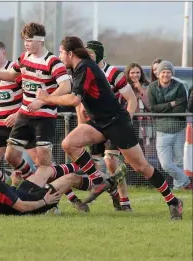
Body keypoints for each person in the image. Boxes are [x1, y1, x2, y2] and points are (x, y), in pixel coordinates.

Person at [36, 36, 183, 220]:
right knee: (69, 143)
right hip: (99, 122)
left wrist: (46, 98)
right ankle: (99, 181)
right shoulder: (78, 68)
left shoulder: (86, 67)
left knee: (142, 167)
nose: (59, 56)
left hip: (116, 122)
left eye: (61, 52)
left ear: (70, 53)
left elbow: (74, 99)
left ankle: (173, 201)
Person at [0, 22, 71, 178]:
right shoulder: (24, 57)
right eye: (24, 40)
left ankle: (63, 183)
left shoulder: (52, 62)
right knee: (11, 156)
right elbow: (11, 75)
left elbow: (66, 86)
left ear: (40, 40)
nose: (26, 44)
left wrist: (43, 100)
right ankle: (32, 182)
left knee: (42, 160)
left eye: (29, 40)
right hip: (25, 115)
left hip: (44, 116)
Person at [80, 40, 137, 211]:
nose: (88, 56)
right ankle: (113, 192)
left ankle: (124, 201)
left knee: (111, 160)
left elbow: (131, 99)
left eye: (91, 53)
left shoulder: (112, 72)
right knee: (94, 165)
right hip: (96, 123)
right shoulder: (83, 71)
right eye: (86, 52)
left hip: (114, 122)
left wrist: (127, 120)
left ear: (99, 54)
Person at [0, 158, 126, 215]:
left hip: (24, 192)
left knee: (45, 169)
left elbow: (4, 203)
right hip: (36, 200)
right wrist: (45, 202)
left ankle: (82, 165)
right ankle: (103, 183)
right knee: (71, 178)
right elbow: (22, 207)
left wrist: (14, 184)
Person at [0, 40, 37, 181]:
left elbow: (30, 95)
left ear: (4, 53)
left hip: (21, 122)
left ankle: (38, 183)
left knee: (40, 161)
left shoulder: (14, 70)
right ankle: (4, 187)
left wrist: (17, 114)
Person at [147, 61, 190, 190]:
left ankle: (179, 186)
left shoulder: (179, 86)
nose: (166, 74)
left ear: (172, 73)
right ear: (158, 74)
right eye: (163, 72)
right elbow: (153, 108)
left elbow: (181, 107)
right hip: (162, 130)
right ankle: (185, 180)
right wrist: (171, 104)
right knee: (165, 164)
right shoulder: (152, 88)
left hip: (179, 128)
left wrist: (163, 109)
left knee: (179, 161)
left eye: (168, 72)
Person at [125, 62, 152, 154]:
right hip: (128, 121)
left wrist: (141, 89)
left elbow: (149, 105)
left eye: (137, 72)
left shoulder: (147, 86)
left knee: (141, 149)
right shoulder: (124, 87)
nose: (135, 75)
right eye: (132, 73)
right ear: (128, 74)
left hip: (143, 123)